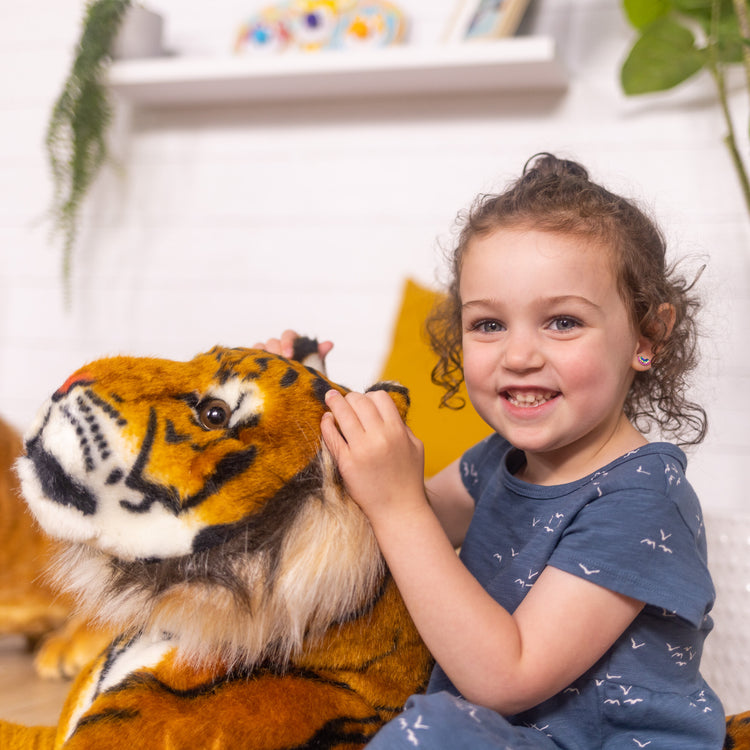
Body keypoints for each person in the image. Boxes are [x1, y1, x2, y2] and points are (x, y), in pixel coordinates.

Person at [259, 154, 725, 748]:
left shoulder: (643, 501)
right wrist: (310, 403)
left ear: (646, 336)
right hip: (502, 736)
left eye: (561, 322)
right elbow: (379, 526)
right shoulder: (496, 460)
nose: (519, 355)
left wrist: (400, 506)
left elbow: (507, 676)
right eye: (487, 325)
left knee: (430, 732)